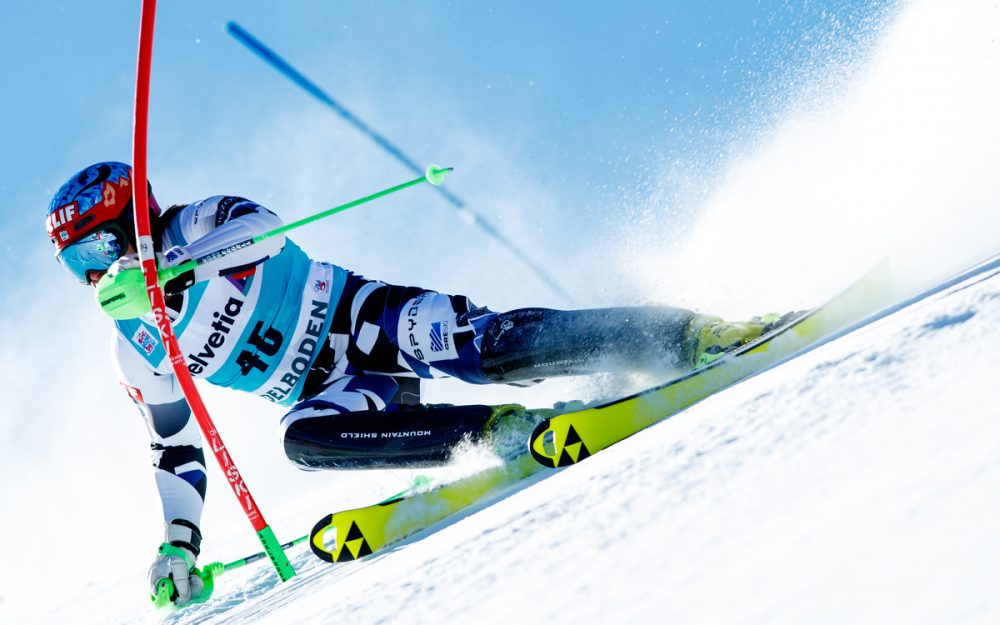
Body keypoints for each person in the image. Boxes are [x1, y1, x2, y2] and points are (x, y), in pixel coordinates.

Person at [47, 161, 782, 605]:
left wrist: (165, 273)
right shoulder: (135, 344)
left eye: (98, 251)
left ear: (132, 218)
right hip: (334, 388)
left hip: (366, 318)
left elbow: (263, 230)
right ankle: (502, 432)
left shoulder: (194, 224)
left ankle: (688, 333)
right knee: (300, 438)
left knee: (490, 345)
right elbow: (174, 445)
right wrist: (180, 542)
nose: (95, 276)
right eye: (78, 267)